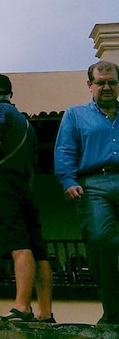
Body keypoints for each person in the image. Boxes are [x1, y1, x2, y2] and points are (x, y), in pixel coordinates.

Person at [0, 73, 53, 322]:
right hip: (24, 185)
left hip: (4, 182)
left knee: (18, 243)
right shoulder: (25, 122)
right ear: (10, 94)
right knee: (38, 250)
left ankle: (21, 307)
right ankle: (45, 312)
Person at [54, 60, 119, 325]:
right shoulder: (75, 115)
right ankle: (114, 313)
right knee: (102, 241)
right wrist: (68, 180)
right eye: (100, 83)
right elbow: (64, 149)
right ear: (89, 85)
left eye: (112, 83)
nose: (106, 87)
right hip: (94, 185)